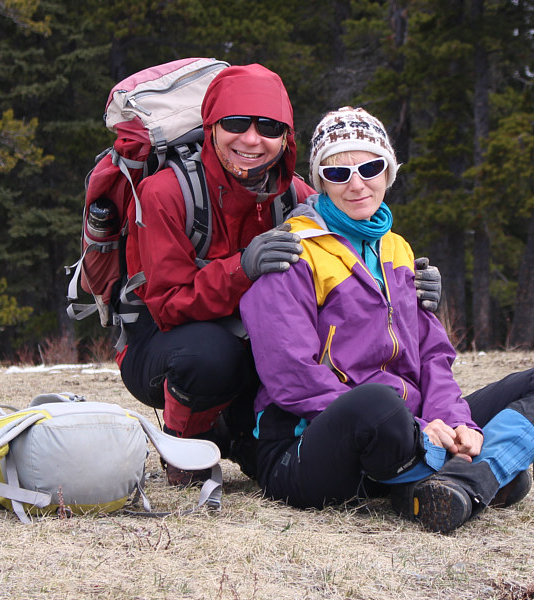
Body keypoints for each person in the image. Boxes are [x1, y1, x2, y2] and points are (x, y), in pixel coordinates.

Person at [239, 106, 534, 533]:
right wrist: (420, 429)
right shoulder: (291, 251)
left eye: (370, 168)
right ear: (321, 181)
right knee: (376, 405)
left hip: (404, 428)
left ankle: (457, 480)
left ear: (388, 172)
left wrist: (456, 422)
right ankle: (482, 471)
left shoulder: (397, 249)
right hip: (308, 445)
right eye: (338, 173)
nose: (357, 184)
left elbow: (433, 356)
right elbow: (293, 379)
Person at [116, 66, 442, 485]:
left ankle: (242, 441)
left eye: (269, 127)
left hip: (254, 343)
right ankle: (185, 445)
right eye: (236, 123)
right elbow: (166, 306)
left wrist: (407, 287)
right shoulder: (165, 193)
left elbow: (351, 258)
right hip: (162, 346)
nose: (252, 139)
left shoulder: (297, 195)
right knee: (212, 355)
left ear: (286, 137)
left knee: (272, 362)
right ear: (211, 127)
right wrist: (242, 268)